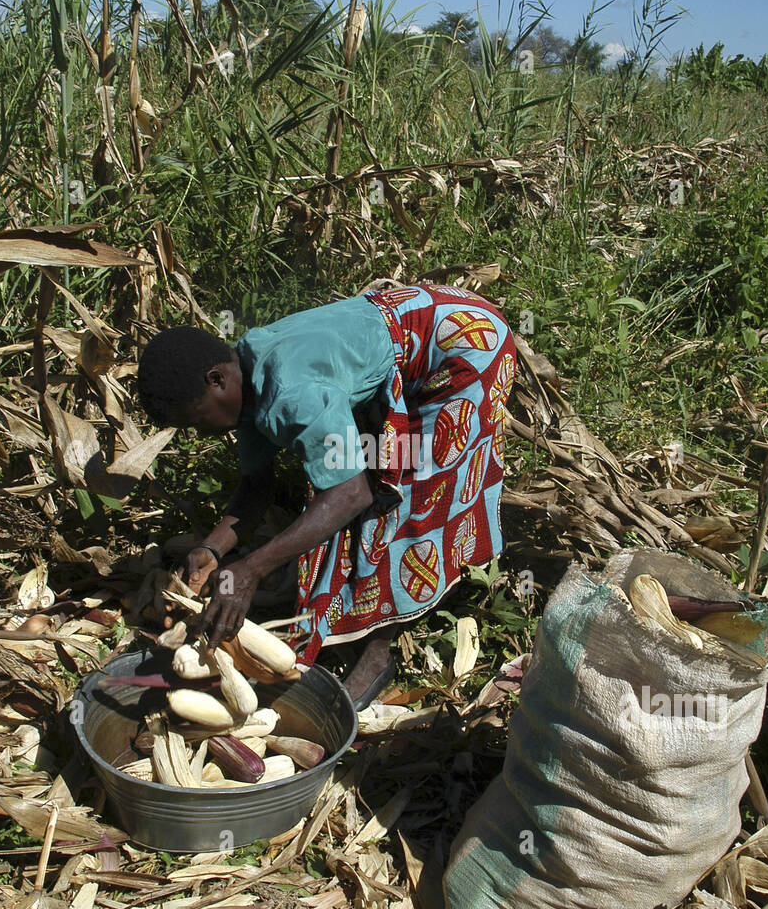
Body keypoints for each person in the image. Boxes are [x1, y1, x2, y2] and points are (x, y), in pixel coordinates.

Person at [136, 283, 516, 710]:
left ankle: (377, 654)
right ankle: (346, 611)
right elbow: (257, 485)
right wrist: (213, 548)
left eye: (197, 420)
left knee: (409, 493)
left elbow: (349, 492)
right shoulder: (245, 381)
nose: (202, 433)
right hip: (413, 328)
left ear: (217, 380)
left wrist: (251, 568)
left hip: (465, 345)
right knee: (368, 474)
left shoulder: (289, 393)